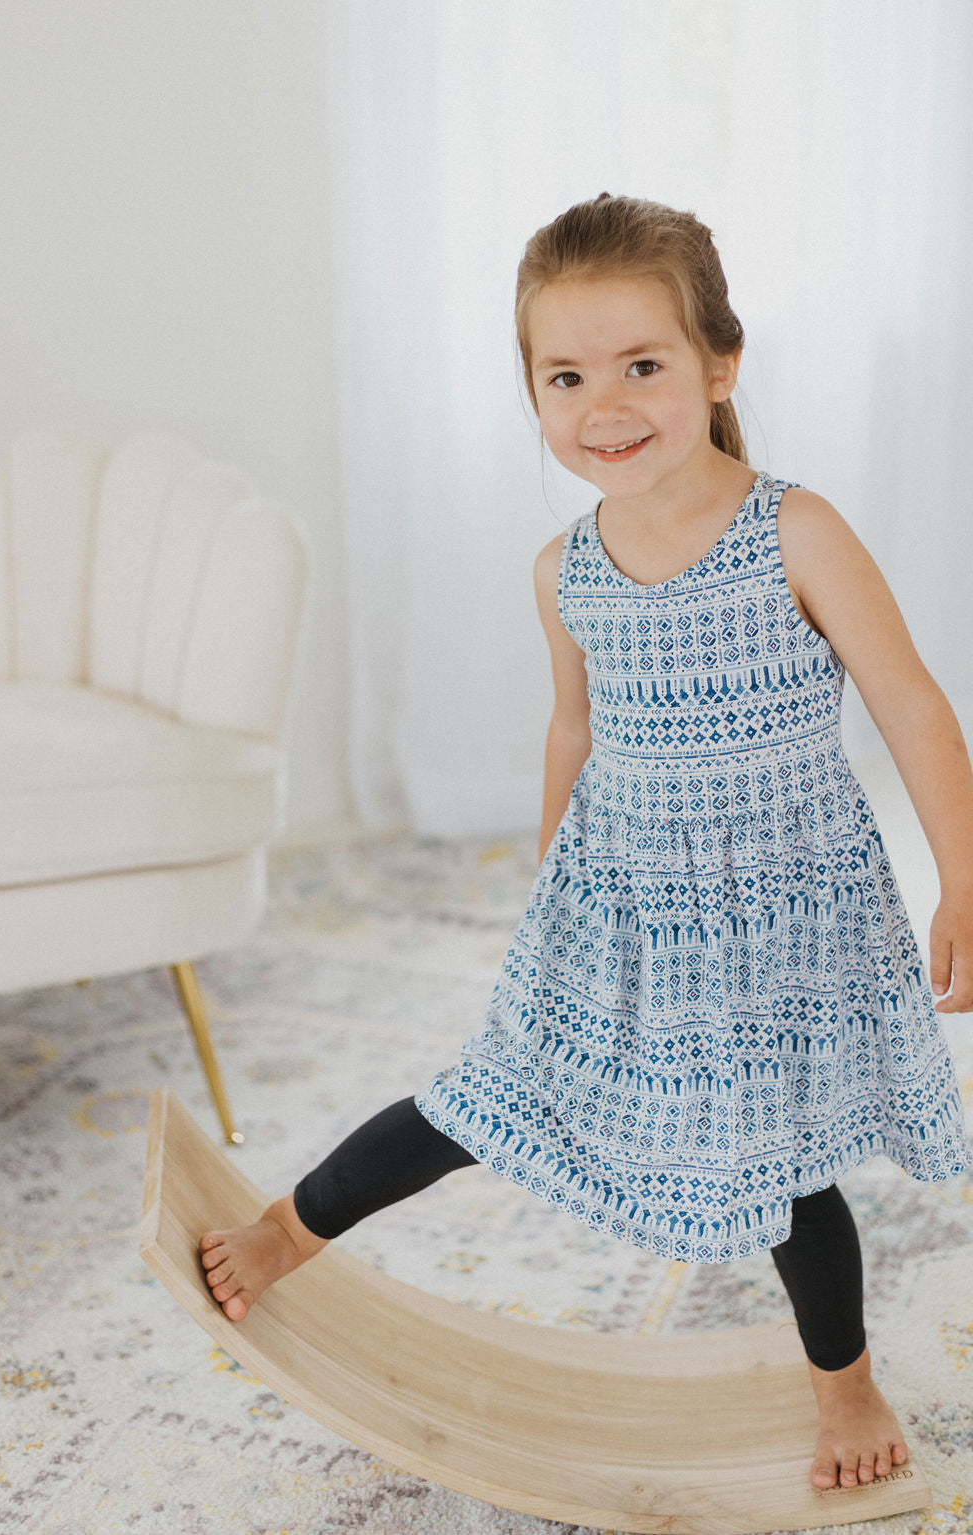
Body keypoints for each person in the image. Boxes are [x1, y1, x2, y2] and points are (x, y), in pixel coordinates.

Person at [199, 193, 972, 1494]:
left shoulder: (796, 531)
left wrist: (963, 873)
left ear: (719, 365)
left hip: (776, 910)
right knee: (488, 1098)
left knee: (779, 1163)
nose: (603, 405)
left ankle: (843, 1384)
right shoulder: (565, 568)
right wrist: (556, 882)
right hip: (619, 902)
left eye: (643, 366)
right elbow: (573, 730)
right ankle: (289, 1231)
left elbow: (909, 700)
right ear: (532, 392)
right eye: (566, 377)